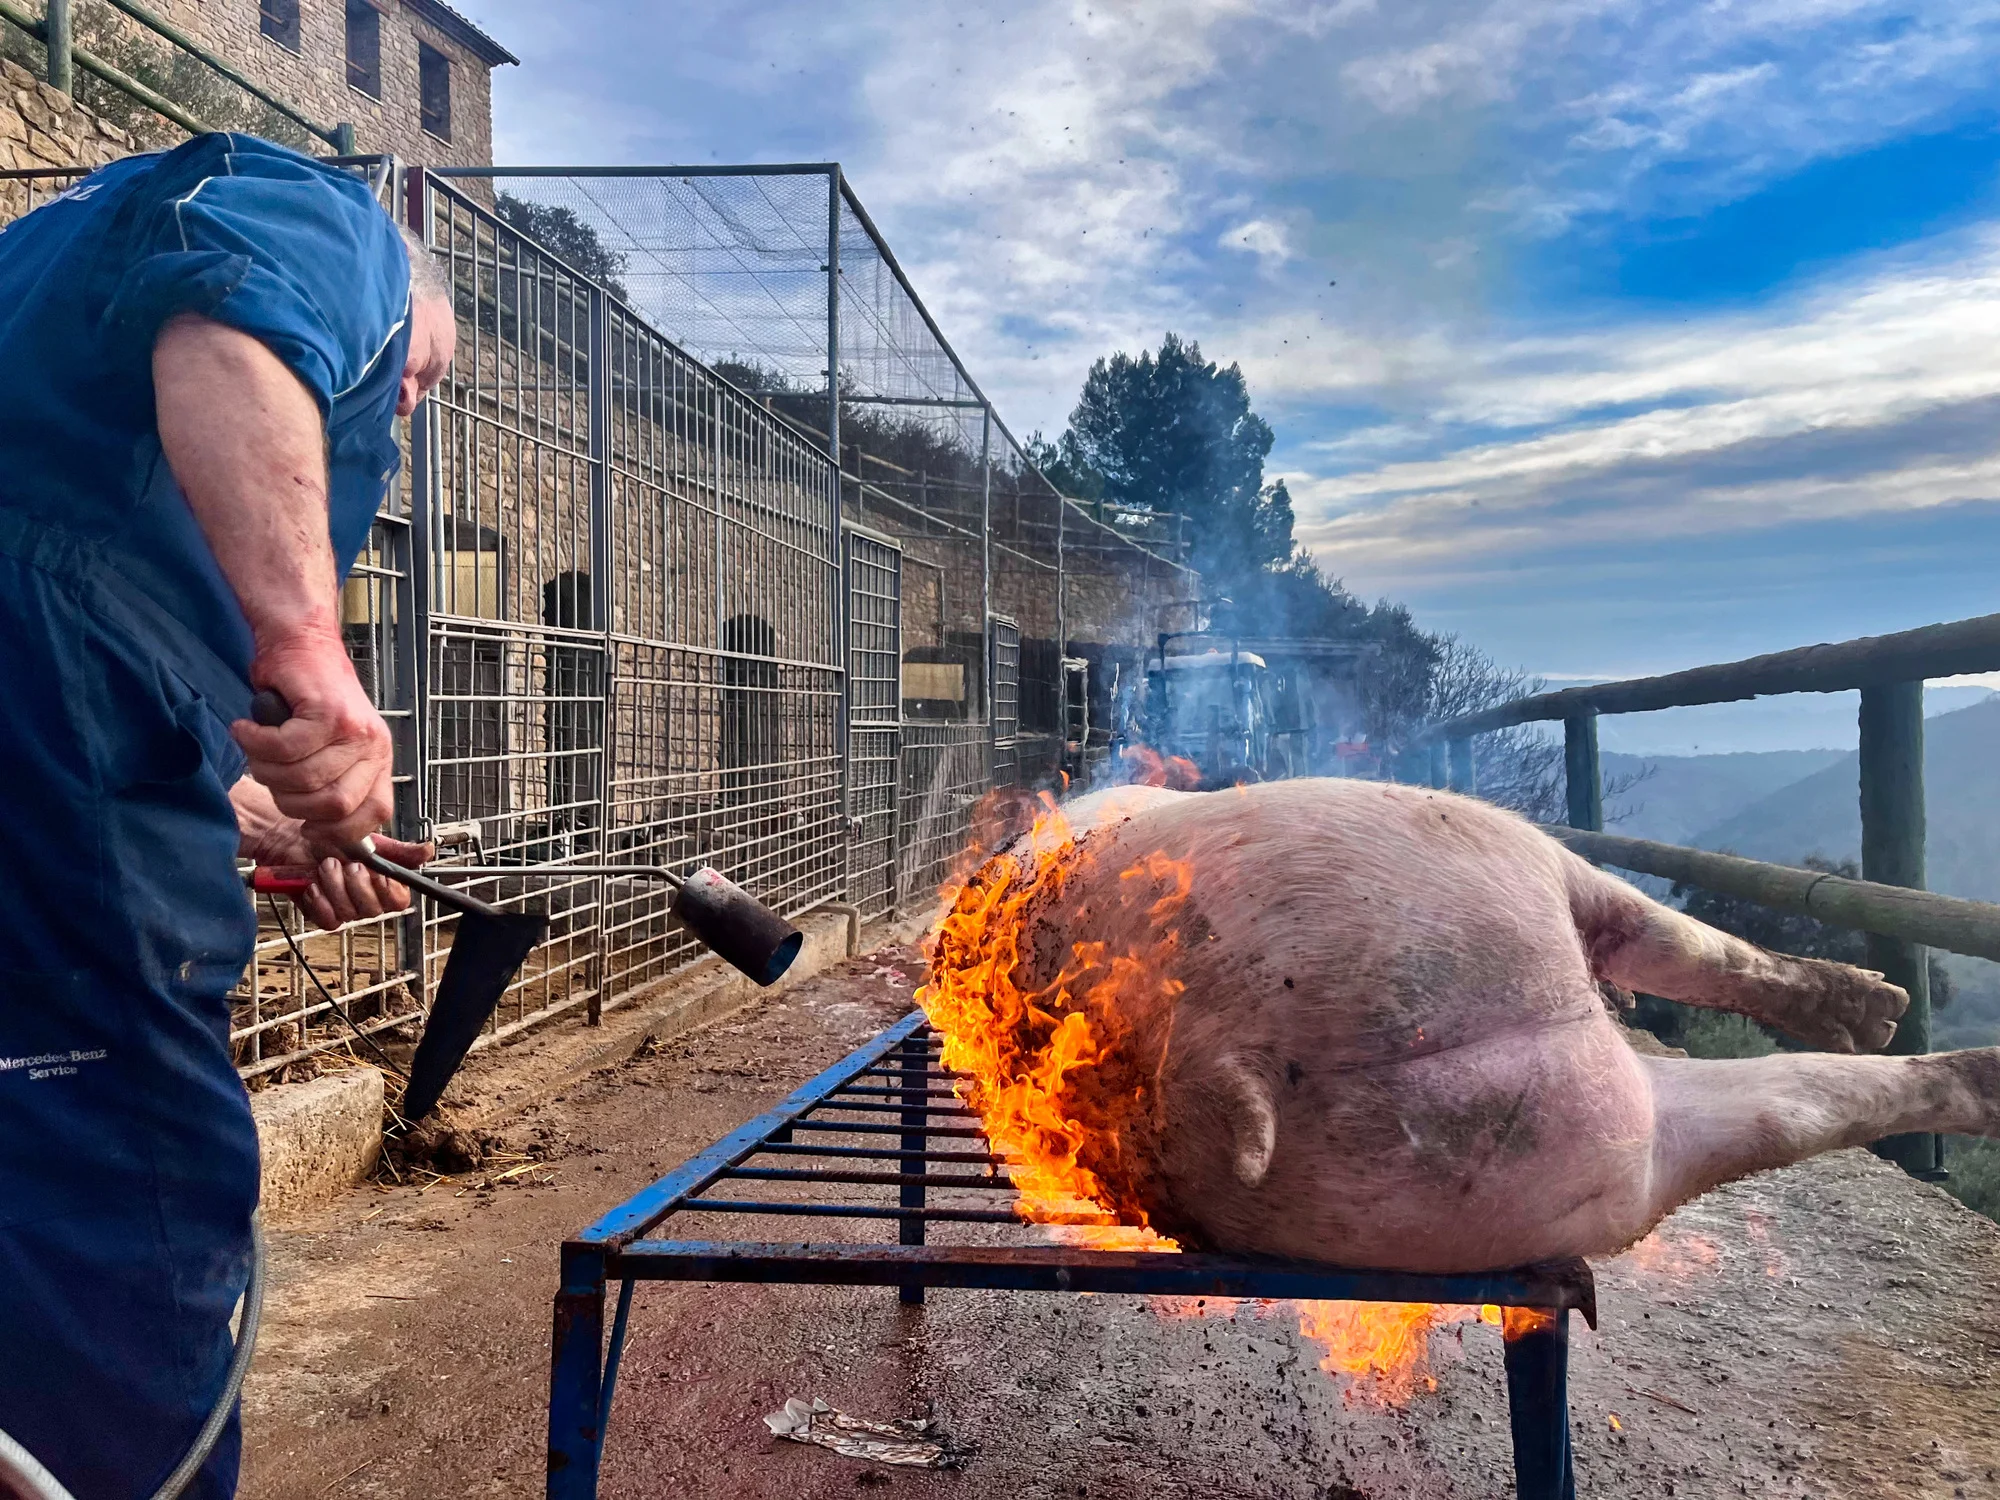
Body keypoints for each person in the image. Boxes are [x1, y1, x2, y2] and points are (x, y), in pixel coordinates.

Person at [0, 133, 455, 1498]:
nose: (405, 410)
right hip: (46, 681)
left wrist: (243, 813)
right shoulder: (334, 221)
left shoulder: (41, 271)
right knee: (117, 1181)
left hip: (47, 721)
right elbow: (229, 321)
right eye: (423, 381)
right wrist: (313, 658)